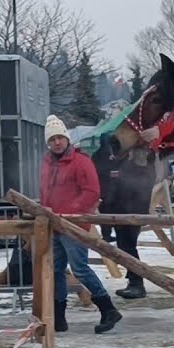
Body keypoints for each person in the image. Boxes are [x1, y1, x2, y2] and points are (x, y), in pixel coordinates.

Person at [41, 114, 122, 334]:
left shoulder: (81, 162)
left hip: (74, 225)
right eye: (52, 139)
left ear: (67, 138)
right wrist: (45, 210)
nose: (56, 142)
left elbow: (92, 192)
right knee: (56, 270)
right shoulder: (47, 163)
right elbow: (46, 192)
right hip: (54, 225)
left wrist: (71, 213)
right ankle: (59, 317)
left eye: (59, 137)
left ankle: (108, 309)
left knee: (79, 269)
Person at [92, 131, 156, 300]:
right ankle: (134, 280)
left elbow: (145, 179)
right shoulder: (111, 157)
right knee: (125, 246)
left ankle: (137, 283)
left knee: (128, 246)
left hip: (131, 209)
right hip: (120, 209)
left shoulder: (138, 156)